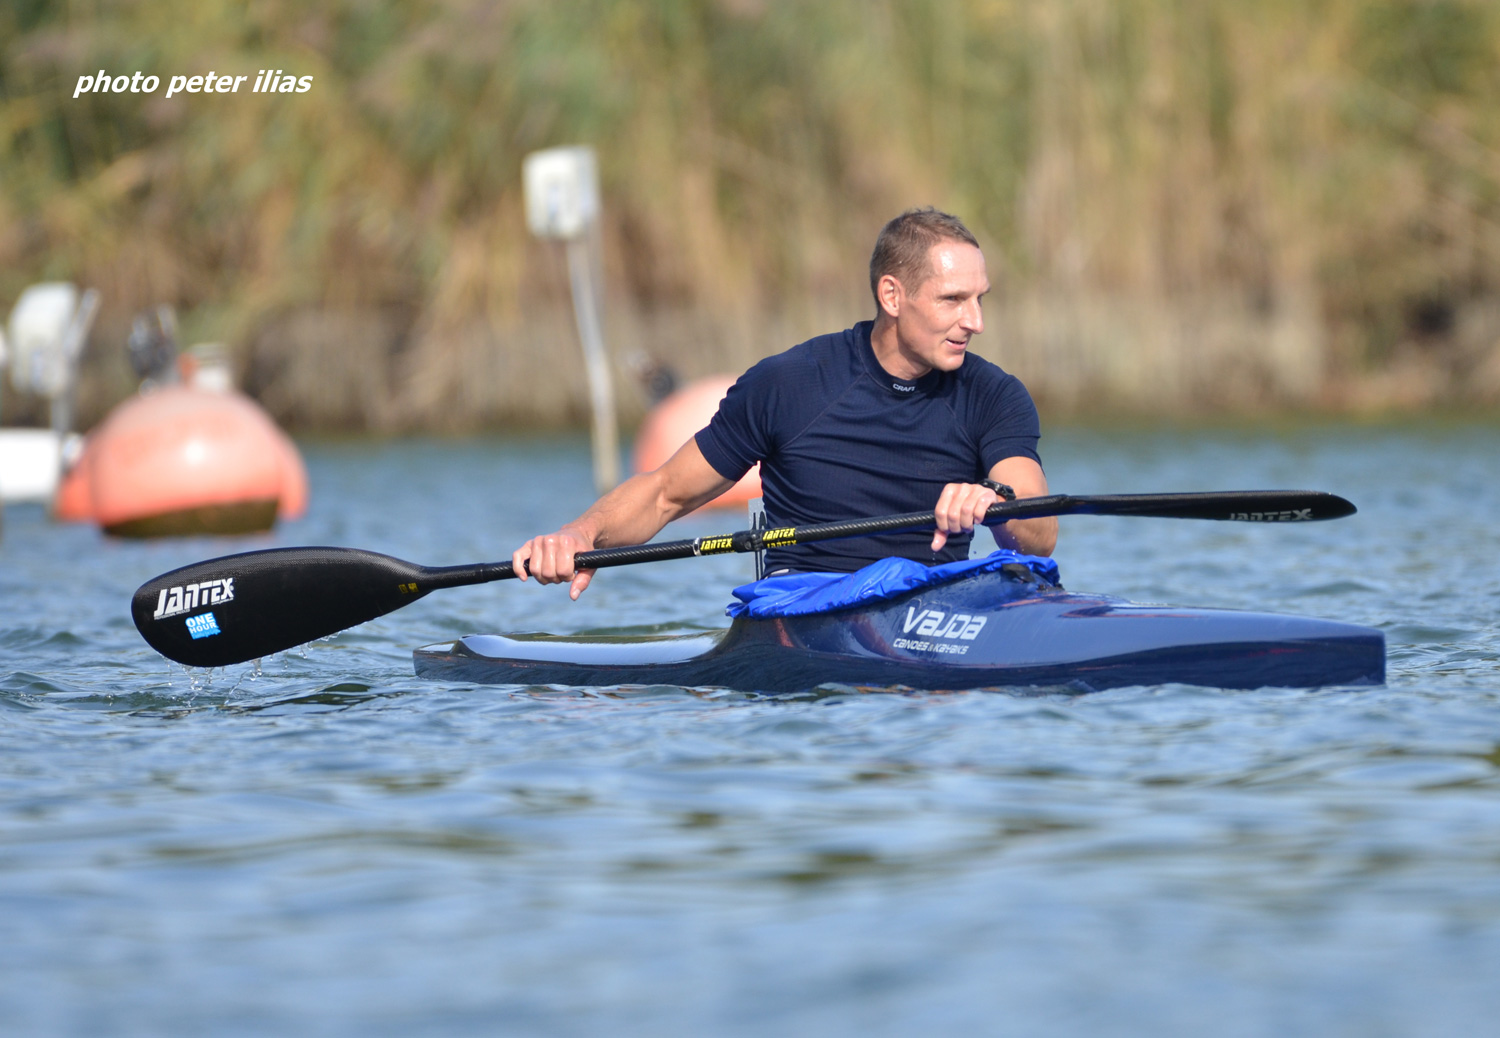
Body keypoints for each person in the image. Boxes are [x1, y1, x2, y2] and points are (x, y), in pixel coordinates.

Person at [513, 207, 1057, 600]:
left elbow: (1040, 532)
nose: (976, 321)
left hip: (932, 608)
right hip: (806, 606)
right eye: (954, 300)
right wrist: (579, 535)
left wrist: (996, 499)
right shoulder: (790, 385)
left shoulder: (994, 394)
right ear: (892, 296)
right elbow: (664, 495)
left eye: (980, 298)